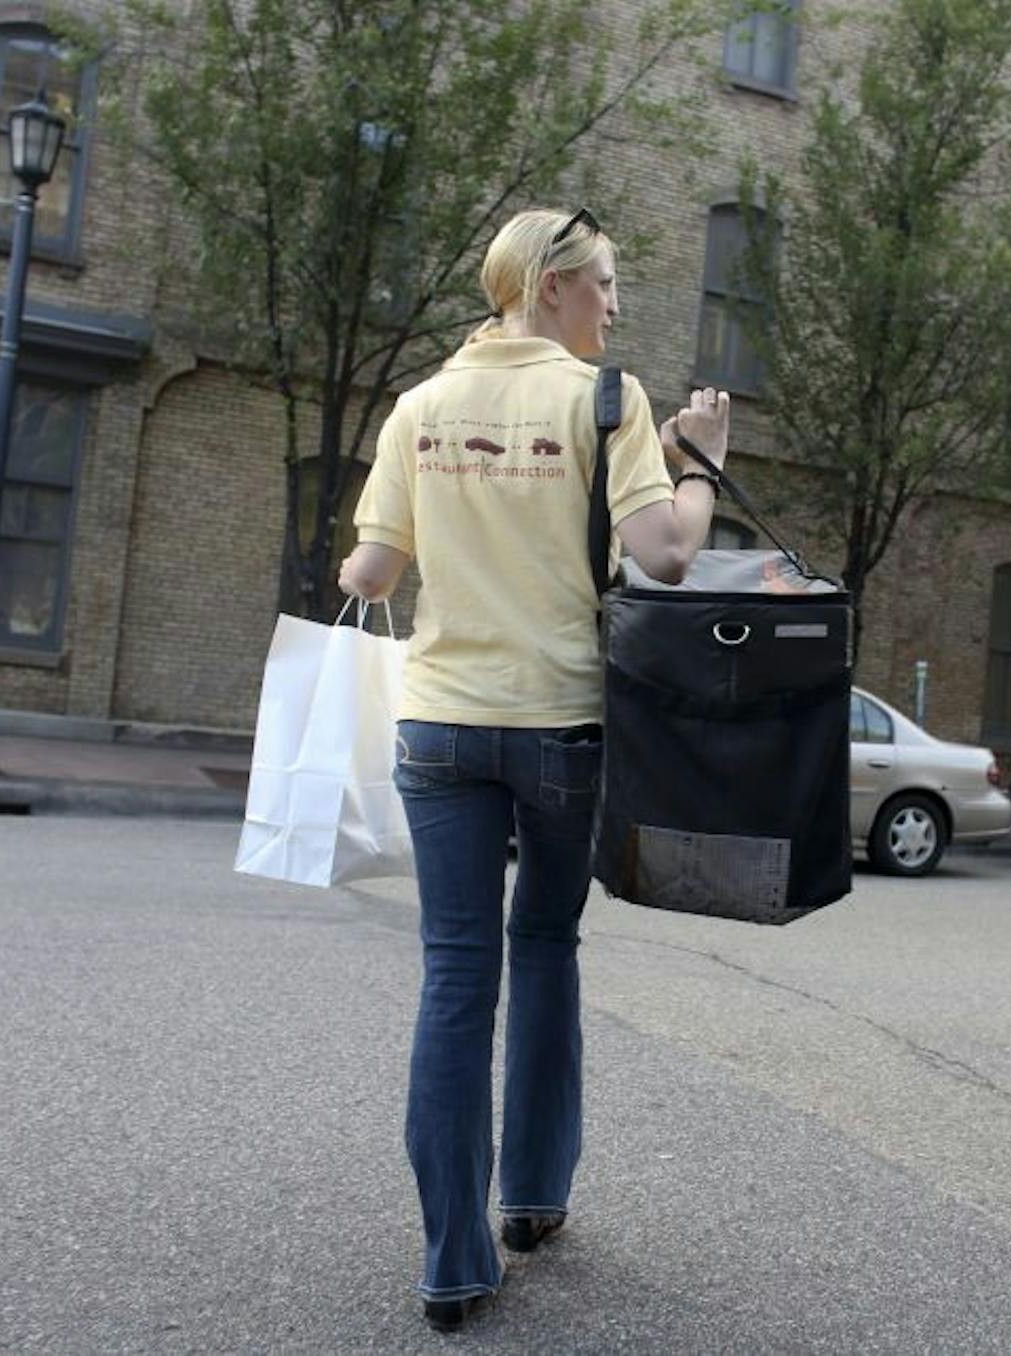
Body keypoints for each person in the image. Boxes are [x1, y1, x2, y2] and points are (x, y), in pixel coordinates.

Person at [337, 206, 731, 1332]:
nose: (615, 305)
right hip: (560, 726)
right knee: (545, 945)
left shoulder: (418, 408)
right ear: (550, 285)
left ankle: (455, 1262)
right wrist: (698, 464)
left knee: (455, 976)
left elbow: (369, 569)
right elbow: (665, 552)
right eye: (604, 282)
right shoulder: (606, 400)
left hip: (440, 728)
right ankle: (536, 1195)